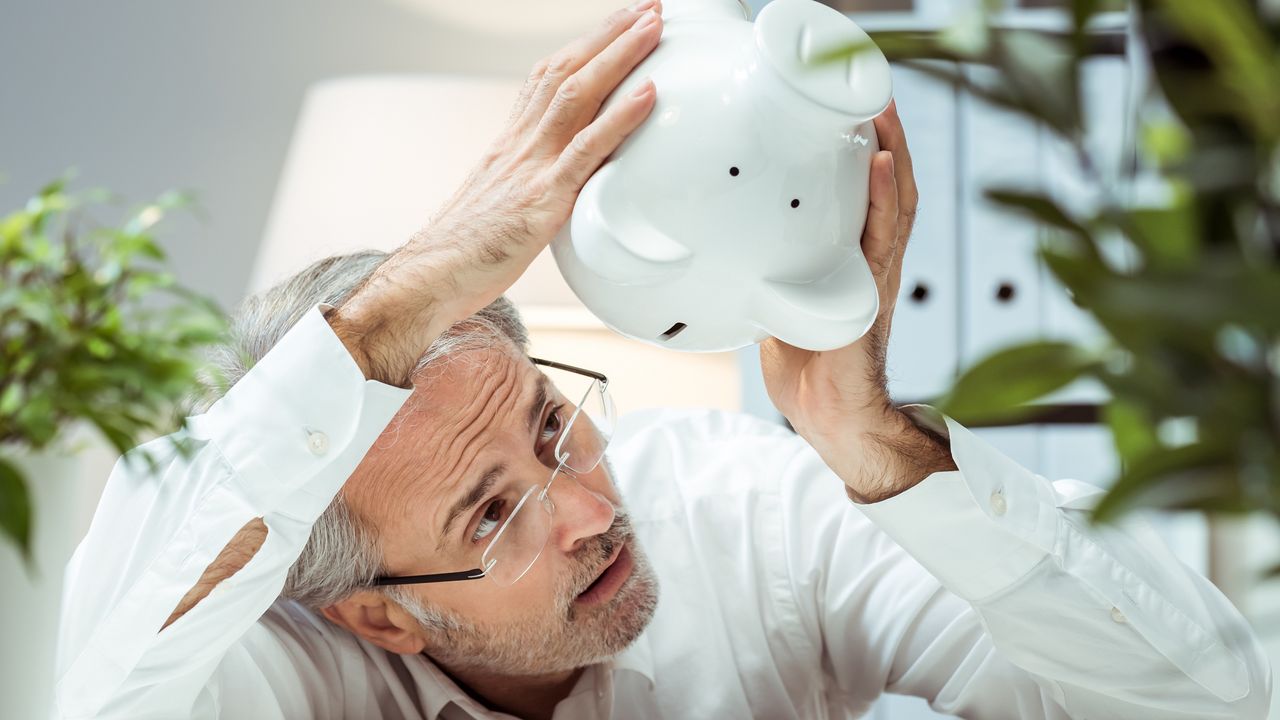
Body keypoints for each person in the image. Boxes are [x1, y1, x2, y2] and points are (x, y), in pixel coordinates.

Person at [55, 2, 1270, 718]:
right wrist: (386, 315)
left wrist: (878, 448)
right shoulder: (277, 663)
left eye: (549, 426)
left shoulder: (742, 508)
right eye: (487, 516)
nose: (591, 508)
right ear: (382, 616)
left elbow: (1209, 703)